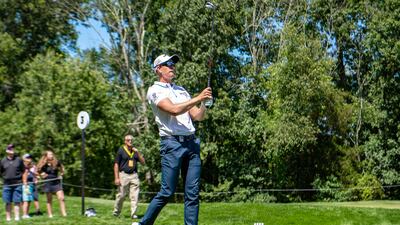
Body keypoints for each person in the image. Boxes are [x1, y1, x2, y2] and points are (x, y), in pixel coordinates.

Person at [135, 54, 212, 225]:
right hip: (172, 144)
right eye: (168, 64)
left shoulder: (181, 90)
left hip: (192, 144)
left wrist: (204, 103)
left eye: (173, 64)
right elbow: (174, 110)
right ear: (158, 69)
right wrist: (198, 98)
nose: (172, 67)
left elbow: (197, 117)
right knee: (167, 191)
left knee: (192, 193)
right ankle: (143, 223)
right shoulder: (154, 91)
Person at [113, 134, 145, 219]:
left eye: (131, 140)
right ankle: (116, 211)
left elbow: (143, 162)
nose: (130, 141)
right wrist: (116, 178)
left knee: (135, 196)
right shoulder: (121, 150)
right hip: (123, 175)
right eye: (128, 140)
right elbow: (116, 164)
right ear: (125, 141)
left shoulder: (135, 152)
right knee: (121, 195)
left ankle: (133, 214)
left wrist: (138, 152)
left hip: (134, 175)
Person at [0, 144, 28, 221]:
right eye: (10, 149)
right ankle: (8, 218)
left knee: (17, 201)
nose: (12, 151)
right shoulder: (2, 161)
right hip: (7, 184)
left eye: (13, 149)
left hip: (17, 183)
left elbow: (24, 170)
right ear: (7, 151)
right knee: (8, 202)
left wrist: (24, 181)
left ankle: (17, 217)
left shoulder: (19, 160)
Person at [37, 150, 67, 218]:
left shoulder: (56, 162)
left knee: (61, 198)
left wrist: (61, 174)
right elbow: (37, 171)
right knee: (49, 199)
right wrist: (41, 174)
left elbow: (62, 168)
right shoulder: (43, 164)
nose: (52, 155)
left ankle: (64, 214)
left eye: (52, 154)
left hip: (56, 182)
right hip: (47, 182)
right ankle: (50, 215)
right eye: (50, 154)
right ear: (46, 156)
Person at [21, 153, 42, 218]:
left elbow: (36, 174)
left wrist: (37, 178)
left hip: (31, 185)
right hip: (24, 185)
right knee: (25, 200)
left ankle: (26, 214)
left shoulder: (32, 166)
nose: (29, 159)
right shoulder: (21, 166)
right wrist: (25, 182)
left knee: (28, 200)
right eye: (28, 158)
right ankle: (24, 214)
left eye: (30, 158)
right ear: (24, 159)